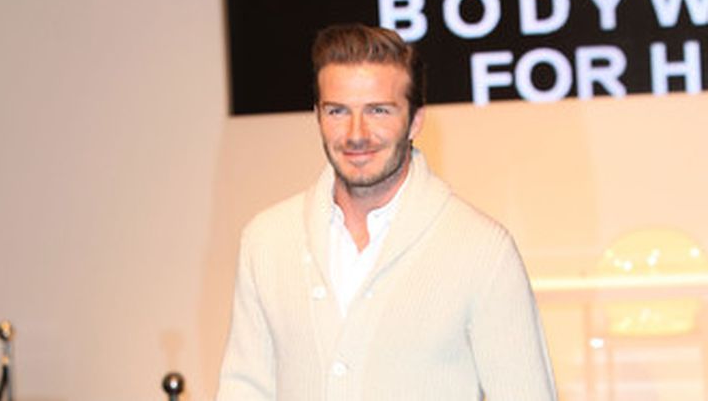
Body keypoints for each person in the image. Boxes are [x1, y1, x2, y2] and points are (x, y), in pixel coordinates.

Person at [216, 24, 557, 400]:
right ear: (318, 115)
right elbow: (243, 389)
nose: (356, 133)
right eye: (337, 111)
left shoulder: (482, 250)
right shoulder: (266, 241)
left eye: (378, 110)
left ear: (415, 120)